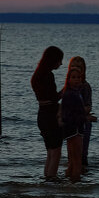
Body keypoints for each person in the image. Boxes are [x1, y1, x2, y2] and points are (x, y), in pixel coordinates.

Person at [31, 46, 64, 181]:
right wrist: (66, 89)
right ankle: (52, 179)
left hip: (42, 114)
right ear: (53, 60)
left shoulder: (37, 75)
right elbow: (53, 98)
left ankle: (47, 178)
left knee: (50, 151)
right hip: (51, 115)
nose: (61, 63)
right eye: (59, 60)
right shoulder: (48, 75)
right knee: (56, 151)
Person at [60, 65, 89, 182]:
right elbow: (72, 114)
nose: (76, 80)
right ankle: (75, 183)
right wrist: (87, 118)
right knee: (77, 160)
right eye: (73, 77)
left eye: (78, 77)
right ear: (68, 79)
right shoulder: (71, 94)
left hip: (71, 128)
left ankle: (69, 181)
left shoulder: (73, 93)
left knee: (72, 160)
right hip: (75, 129)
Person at [66, 56, 95, 171]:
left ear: (83, 70)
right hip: (70, 122)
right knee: (71, 153)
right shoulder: (68, 86)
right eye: (73, 66)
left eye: (79, 67)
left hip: (83, 122)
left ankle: (81, 176)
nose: (76, 68)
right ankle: (72, 175)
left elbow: (88, 106)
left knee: (82, 153)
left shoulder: (85, 86)